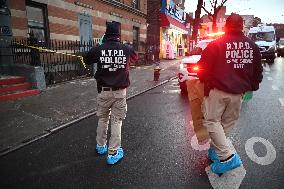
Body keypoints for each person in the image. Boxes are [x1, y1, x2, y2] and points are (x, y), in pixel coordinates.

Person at [197, 13, 263, 174]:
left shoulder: (216, 44)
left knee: (212, 122)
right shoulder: (252, 46)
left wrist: (206, 80)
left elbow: (202, 68)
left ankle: (227, 157)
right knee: (226, 123)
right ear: (242, 26)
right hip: (238, 93)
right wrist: (252, 86)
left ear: (226, 26)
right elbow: (257, 71)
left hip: (217, 91)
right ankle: (215, 151)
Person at [84, 22, 138, 165]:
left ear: (106, 34)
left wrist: (100, 47)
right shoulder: (126, 49)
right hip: (120, 93)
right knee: (116, 121)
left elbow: (86, 59)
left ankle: (101, 146)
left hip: (103, 92)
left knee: (102, 119)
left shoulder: (99, 49)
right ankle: (113, 153)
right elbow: (135, 57)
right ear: (118, 35)